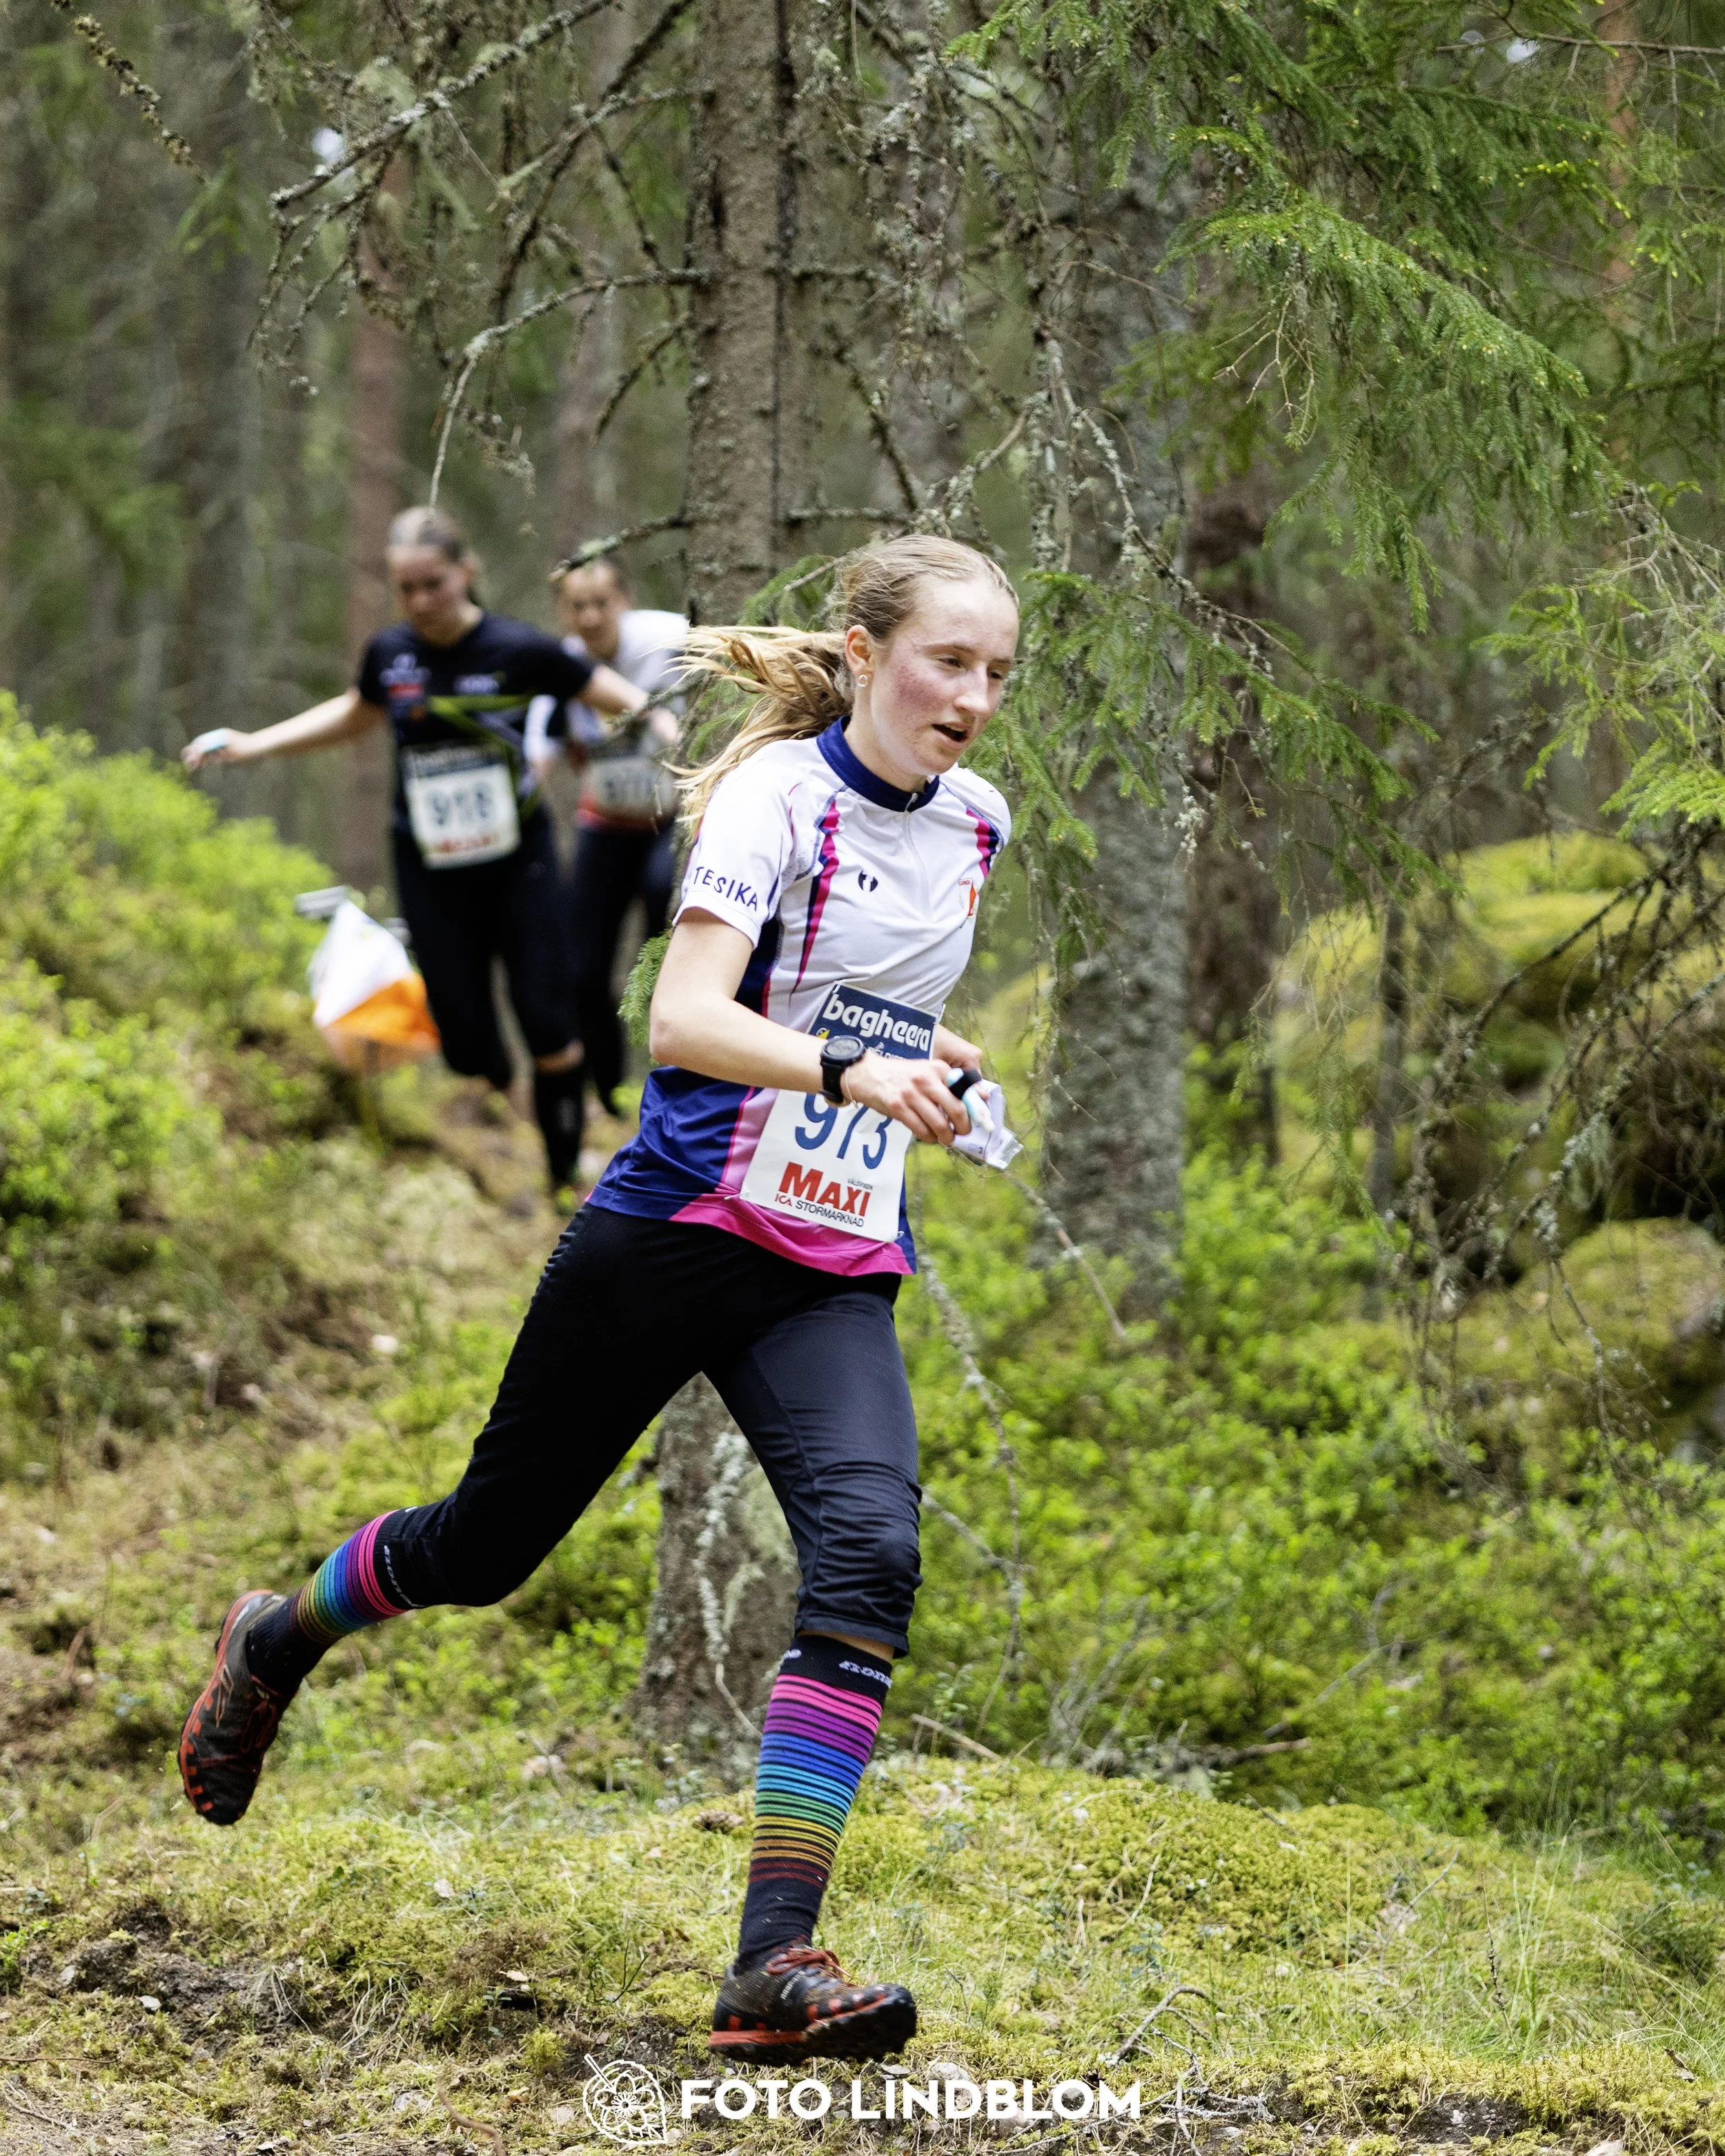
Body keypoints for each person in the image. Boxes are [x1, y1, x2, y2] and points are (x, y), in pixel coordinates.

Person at [176, 535, 1019, 2064]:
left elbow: (869, 998)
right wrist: (845, 1067)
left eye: (996, 672)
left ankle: (770, 1962)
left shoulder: (975, 824)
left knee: (870, 1547)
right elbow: (692, 1021)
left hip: (825, 1259)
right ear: (865, 650)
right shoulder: (774, 795)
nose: (974, 697)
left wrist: (939, 1061)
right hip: (675, 1230)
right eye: (948, 661)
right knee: (486, 1546)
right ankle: (278, 1629)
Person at [183, 508, 673, 1191]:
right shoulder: (392, 655)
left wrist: (674, 733)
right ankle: (504, 1090)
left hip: (519, 864)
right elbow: (354, 714)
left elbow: (618, 697)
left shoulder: (520, 649)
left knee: (547, 1020)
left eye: (432, 584)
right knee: (463, 1035)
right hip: (430, 864)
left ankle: (565, 1181)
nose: (419, 602)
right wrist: (253, 742)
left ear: (465, 572)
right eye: (405, 588)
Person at [524, 554, 688, 1115]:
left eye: (602, 603)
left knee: (660, 921)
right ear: (562, 611)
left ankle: (671, 1083)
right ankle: (609, 1090)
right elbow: (536, 751)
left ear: (625, 600)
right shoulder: (560, 664)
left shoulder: (669, 637)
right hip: (606, 825)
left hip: (670, 822)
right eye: (577, 605)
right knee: (583, 970)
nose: (591, 616)